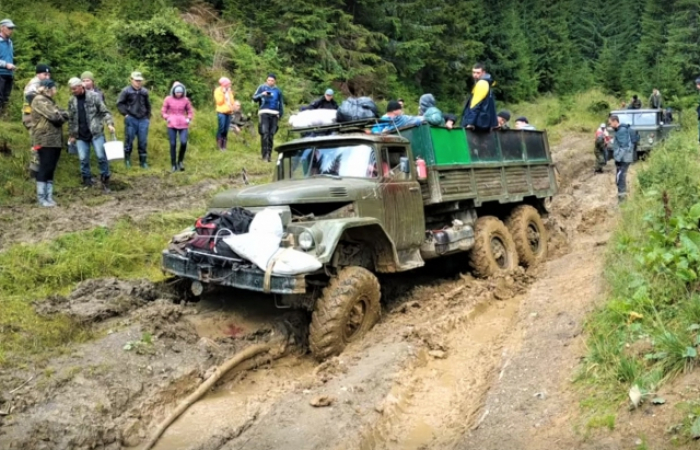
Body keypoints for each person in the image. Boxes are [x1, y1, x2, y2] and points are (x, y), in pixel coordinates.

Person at [68, 77, 116, 192]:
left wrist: (109, 124)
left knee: (101, 157)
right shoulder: (71, 100)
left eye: (74, 89)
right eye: (71, 89)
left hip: (96, 132)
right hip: (80, 135)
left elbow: (105, 112)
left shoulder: (94, 96)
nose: (73, 91)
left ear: (81, 86)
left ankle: (105, 181)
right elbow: (71, 119)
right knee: (83, 159)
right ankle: (87, 181)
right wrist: (71, 134)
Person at [31, 79, 69, 207]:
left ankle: (49, 197)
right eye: (54, 88)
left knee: (51, 168)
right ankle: (41, 198)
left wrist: (61, 114)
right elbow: (54, 116)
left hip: (55, 140)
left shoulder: (50, 101)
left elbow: (64, 114)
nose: (55, 90)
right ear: (48, 88)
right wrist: (61, 114)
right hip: (44, 139)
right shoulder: (39, 100)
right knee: (45, 167)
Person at [117, 71, 151, 168]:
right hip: (131, 118)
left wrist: (148, 116)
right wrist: (125, 114)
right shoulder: (126, 91)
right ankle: (127, 160)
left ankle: (143, 162)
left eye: (140, 80)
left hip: (143, 119)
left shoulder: (145, 92)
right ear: (131, 80)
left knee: (143, 141)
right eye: (136, 80)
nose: (138, 82)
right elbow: (120, 103)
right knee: (129, 139)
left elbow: (148, 105)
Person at [22, 64, 51, 177]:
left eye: (49, 74)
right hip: (30, 117)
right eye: (45, 74)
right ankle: (34, 172)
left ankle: (39, 170)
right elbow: (31, 99)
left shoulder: (42, 84)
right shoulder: (34, 84)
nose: (47, 76)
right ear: (38, 73)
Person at [162, 82, 194, 172]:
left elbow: (190, 111)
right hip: (171, 123)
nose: (178, 94)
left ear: (183, 92)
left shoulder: (186, 100)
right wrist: (167, 117)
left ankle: (180, 161)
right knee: (173, 144)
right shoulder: (168, 99)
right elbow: (163, 111)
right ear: (173, 91)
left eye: (180, 92)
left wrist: (189, 118)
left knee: (183, 142)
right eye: (177, 92)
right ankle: (173, 164)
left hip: (183, 123)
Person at [252, 73, 284, 162]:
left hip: (274, 114)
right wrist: (262, 94)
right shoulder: (261, 87)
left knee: (271, 135)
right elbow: (254, 98)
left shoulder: (278, 91)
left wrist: (280, 114)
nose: (270, 82)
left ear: (275, 81)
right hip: (264, 112)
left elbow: (281, 103)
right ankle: (264, 155)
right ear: (266, 80)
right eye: (269, 80)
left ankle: (269, 154)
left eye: (272, 80)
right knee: (265, 133)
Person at [460, 63, 498, 130]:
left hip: (478, 124)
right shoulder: (487, 83)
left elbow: (475, 104)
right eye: (473, 72)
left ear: (483, 72)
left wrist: (470, 123)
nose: (475, 75)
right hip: (485, 123)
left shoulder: (481, 83)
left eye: (478, 73)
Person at [608, 114, 634, 203]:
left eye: (610, 123)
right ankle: (621, 199)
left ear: (615, 122)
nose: (610, 125)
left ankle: (622, 201)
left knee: (620, 178)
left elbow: (624, 147)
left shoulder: (621, 131)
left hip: (624, 159)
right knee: (619, 178)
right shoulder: (619, 130)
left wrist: (618, 159)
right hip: (624, 158)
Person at [0, 18, 16, 113]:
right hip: (0, 74)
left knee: (6, 98)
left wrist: (12, 66)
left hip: (9, 74)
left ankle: (4, 118)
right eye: (9, 28)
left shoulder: (10, 42)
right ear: (2, 28)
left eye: (12, 28)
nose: (11, 30)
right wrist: (6, 65)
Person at [214, 77, 234, 151]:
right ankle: (219, 145)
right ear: (224, 84)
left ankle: (224, 145)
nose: (230, 84)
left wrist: (229, 93)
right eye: (229, 83)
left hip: (229, 112)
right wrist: (224, 93)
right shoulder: (218, 90)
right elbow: (219, 102)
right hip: (221, 112)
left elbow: (232, 101)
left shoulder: (230, 91)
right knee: (221, 128)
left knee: (226, 129)